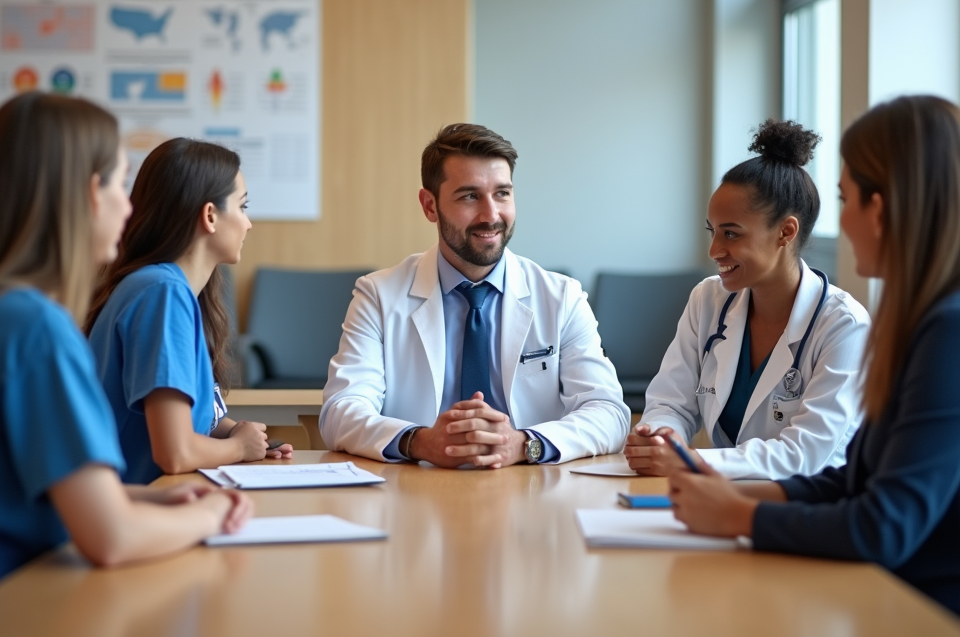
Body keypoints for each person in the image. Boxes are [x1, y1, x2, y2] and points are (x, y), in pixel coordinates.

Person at [0, 94, 251, 596]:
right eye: (120, 185)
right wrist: (213, 513)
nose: (129, 209)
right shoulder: (35, 327)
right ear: (88, 195)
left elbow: (24, 492)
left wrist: (144, 500)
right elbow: (111, 538)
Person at [667, 95, 960, 617]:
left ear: (885, 204)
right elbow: (855, 481)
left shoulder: (946, 331)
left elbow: (882, 524)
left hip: (919, 609)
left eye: (847, 201)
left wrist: (740, 516)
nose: (841, 224)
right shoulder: (921, 318)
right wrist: (733, 493)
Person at [320, 123, 629, 467]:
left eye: (502, 193)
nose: (491, 215)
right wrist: (420, 442)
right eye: (470, 196)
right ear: (430, 206)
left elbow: (610, 413)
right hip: (418, 488)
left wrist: (527, 444)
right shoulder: (378, 295)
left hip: (530, 488)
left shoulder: (562, 298)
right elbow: (340, 412)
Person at [624, 120, 870, 479]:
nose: (714, 250)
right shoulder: (708, 298)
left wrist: (692, 462)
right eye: (712, 231)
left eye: (731, 234)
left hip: (806, 515)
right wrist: (662, 437)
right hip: (723, 499)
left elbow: (804, 455)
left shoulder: (844, 325)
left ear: (786, 232)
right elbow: (670, 402)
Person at [86, 138, 292, 485]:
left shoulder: (164, 288)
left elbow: (188, 419)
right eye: (242, 207)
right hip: (131, 510)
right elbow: (175, 451)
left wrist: (232, 433)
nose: (248, 224)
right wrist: (240, 448)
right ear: (210, 216)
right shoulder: (162, 294)